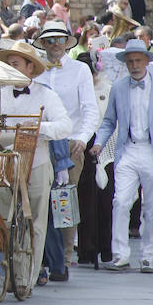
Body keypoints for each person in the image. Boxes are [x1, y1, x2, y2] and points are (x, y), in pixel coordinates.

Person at [0, 41, 73, 291]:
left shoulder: (46, 95)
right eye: (8, 65)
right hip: (6, 165)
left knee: (36, 224)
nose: (10, 69)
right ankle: (8, 272)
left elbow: (65, 126)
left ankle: (26, 278)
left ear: (30, 68)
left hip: (38, 163)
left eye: (15, 64)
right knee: (3, 219)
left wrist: (37, 129)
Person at [95, 38, 153, 273]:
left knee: (152, 207)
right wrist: (98, 144)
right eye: (130, 61)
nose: (134, 65)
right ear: (125, 63)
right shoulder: (119, 87)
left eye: (138, 60)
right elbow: (108, 122)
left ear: (146, 61)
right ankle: (121, 254)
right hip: (128, 150)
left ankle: (147, 256)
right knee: (121, 201)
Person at [34, 21, 99, 281]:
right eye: (49, 41)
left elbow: (90, 109)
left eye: (59, 39)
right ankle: (40, 258)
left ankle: (63, 258)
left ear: (66, 41)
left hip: (70, 142)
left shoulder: (80, 70)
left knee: (64, 202)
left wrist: (82, 139)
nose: (55, 45)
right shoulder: (35, 70)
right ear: (43, 44)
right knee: (38, 201)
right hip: (40, 142)